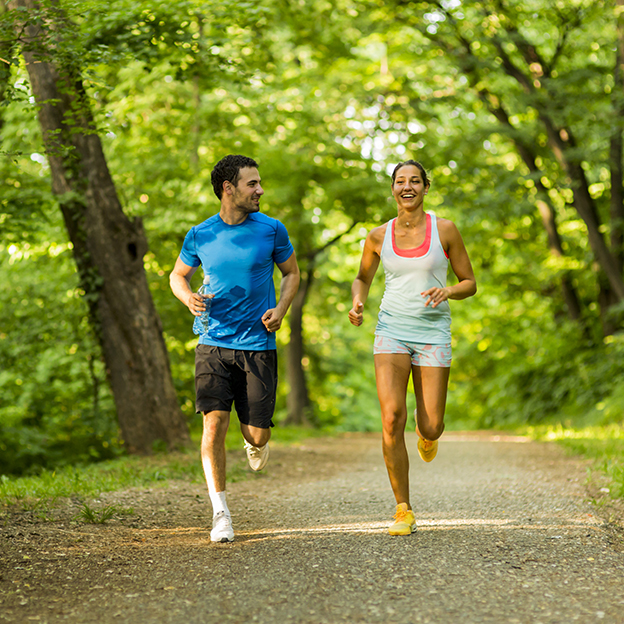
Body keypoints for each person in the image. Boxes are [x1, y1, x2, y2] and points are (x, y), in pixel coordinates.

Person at [170, 155, 300, 543]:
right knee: (213, 424)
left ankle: (254, 440)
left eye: (259, 183)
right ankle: (221, 513)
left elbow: (292, 272)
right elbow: (177, 276)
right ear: (229, 188)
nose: (260, 190)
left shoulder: (271, 230)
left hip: (258, 344)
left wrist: (281, 309)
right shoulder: (200, 234)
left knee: (257, 435)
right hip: (212, 341)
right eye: (252, 184)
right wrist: (188, 297)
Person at [348, 160, 476, 536]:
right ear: (392, 189)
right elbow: (362, 277)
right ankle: (402, 509)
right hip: (391, 330)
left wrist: (448, 290)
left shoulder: (445, 230)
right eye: (400, 181)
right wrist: (358, 302)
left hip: (433, 332)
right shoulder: (377, 236)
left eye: (415, 181)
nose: (408, 187)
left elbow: (470, 282)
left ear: (425, 187)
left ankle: (427, 435)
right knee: (391, 418)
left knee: (432, 424)